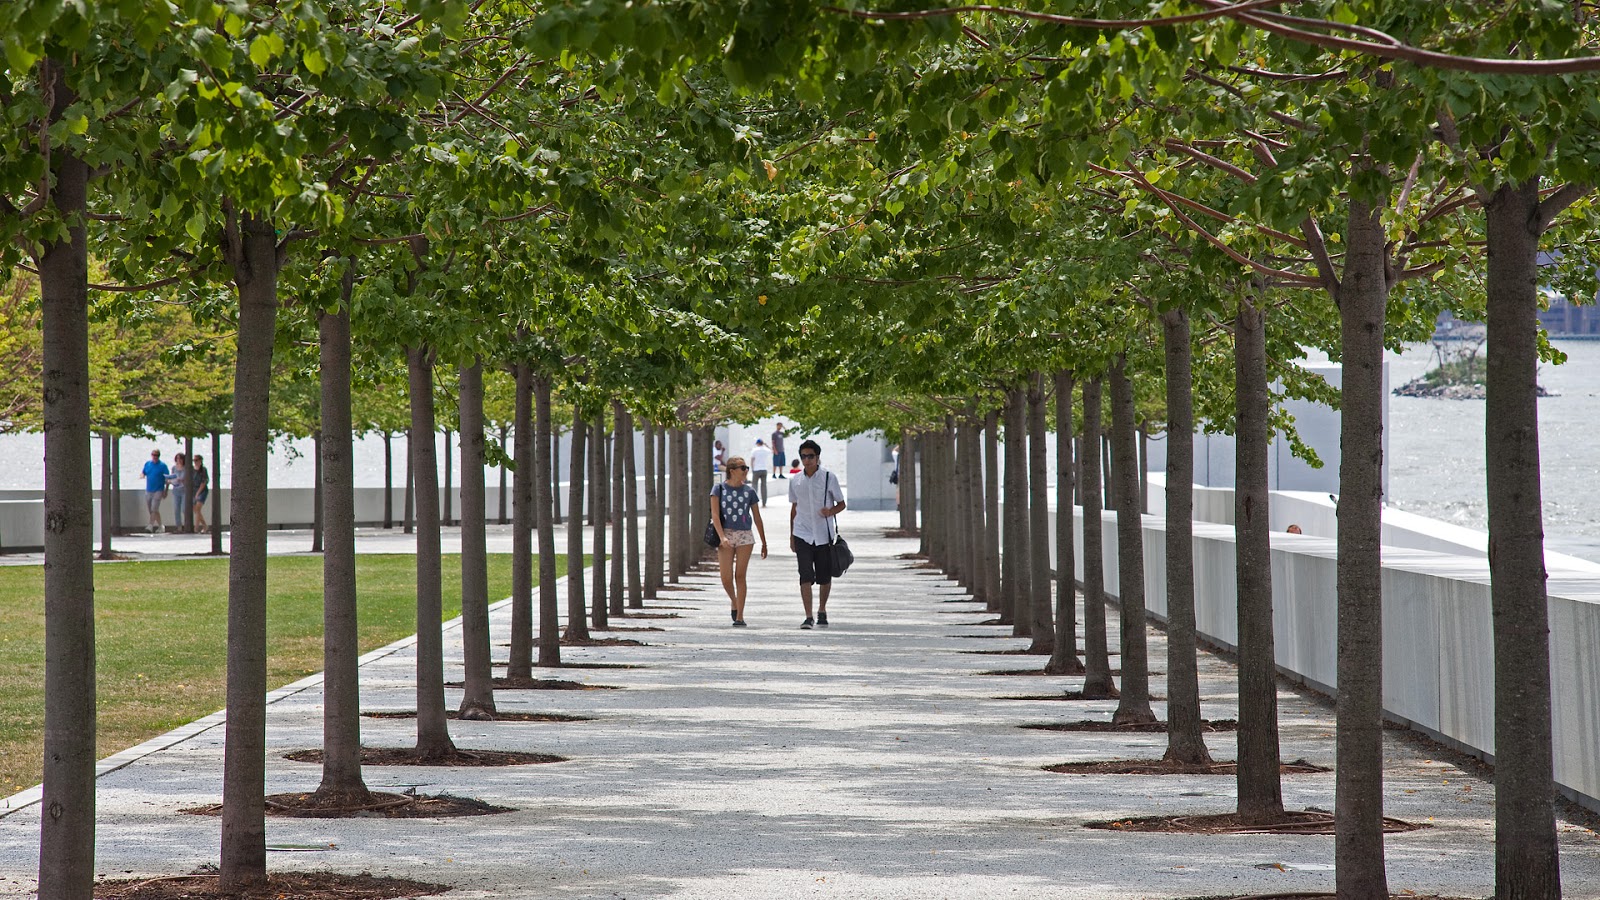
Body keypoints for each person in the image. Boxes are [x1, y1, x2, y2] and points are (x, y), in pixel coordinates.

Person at [788, 439, 845, 629]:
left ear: (818, 457)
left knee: (824, 576)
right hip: (802, 533)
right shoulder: (795, 480)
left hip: (823, 533)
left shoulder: (829, 477)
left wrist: (831, 511)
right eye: (803, 456)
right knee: (805, 575)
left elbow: (841, 503)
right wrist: (791, 535)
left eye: (810, 456)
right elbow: (794, 508)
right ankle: (808, 616)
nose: (807, 460)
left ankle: (822, 609)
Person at [711, 456, 766, 627]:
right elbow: (714, 515)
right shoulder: (718, 488)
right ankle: (734, 602)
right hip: (725, 533)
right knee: (726, 578)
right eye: (743, 468)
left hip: (745, 535)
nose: (746, 471)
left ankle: (740, 615)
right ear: (732, 470)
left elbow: (757, 517)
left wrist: (764, 542)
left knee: (740, 576)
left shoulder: (749, 492)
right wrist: (722, 537)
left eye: (746, 468)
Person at [141, 449, 170, 533]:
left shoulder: (163, 466)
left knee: (154, 508)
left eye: (157, 455)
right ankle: (161, 526)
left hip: (159, 490)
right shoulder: (148, 464)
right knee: (152, 509)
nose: (155, 457)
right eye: (153, 455)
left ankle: (150, 525)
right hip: (149, 490)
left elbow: (167, 478)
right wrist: (142, 475)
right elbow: (143, 472)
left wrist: (166, 490)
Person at [167, 452, 189, 533]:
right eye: (177, 459)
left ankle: (187, 524)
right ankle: (178, 526)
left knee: (184, 509)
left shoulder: (186, 468)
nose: (179, 460)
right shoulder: (174, 468)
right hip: (176, 490)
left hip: (184, 491)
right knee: (176, 509)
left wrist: (182, 480)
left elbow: (188, 479)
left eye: (180, 459)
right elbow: (171, 477)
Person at [749, 438, 773, 506]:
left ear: (757, 443)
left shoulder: (755, 450)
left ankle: (753, 502)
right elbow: (772, 451)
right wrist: (766, 445)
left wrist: (752, 469)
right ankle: (764, 502)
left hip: (756, 469)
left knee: (754, 486)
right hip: (764, 469)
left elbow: (752, 460)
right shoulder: (766, 450)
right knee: (764, 486)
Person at [191, 454, 210, 532]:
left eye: (196, 460)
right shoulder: (192, 470)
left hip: (202, 491)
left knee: (198, 508)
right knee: (195, 510)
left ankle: (196, 527)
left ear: (200, 461)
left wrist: (198, 493)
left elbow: (204, 482)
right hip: (194, 490)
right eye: (194, 460)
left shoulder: (203, 470)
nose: (195, 462)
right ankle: (205, 525)